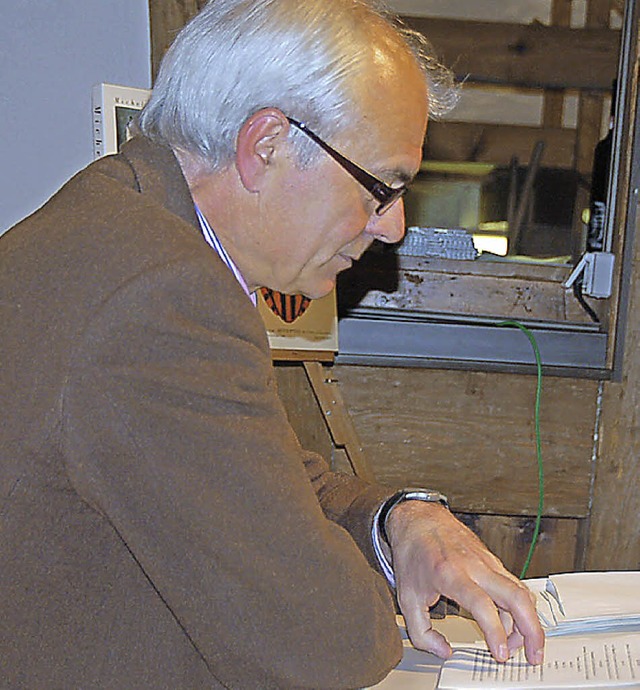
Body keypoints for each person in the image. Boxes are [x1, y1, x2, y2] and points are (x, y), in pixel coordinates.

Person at [0, 0, 544, 687]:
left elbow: (265, 469)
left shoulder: (115, 227)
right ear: (266, 145)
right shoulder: (162, 295)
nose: (395, 226)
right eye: (382, 187)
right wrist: (358, 590)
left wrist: (398, 523)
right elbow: (322, 644)